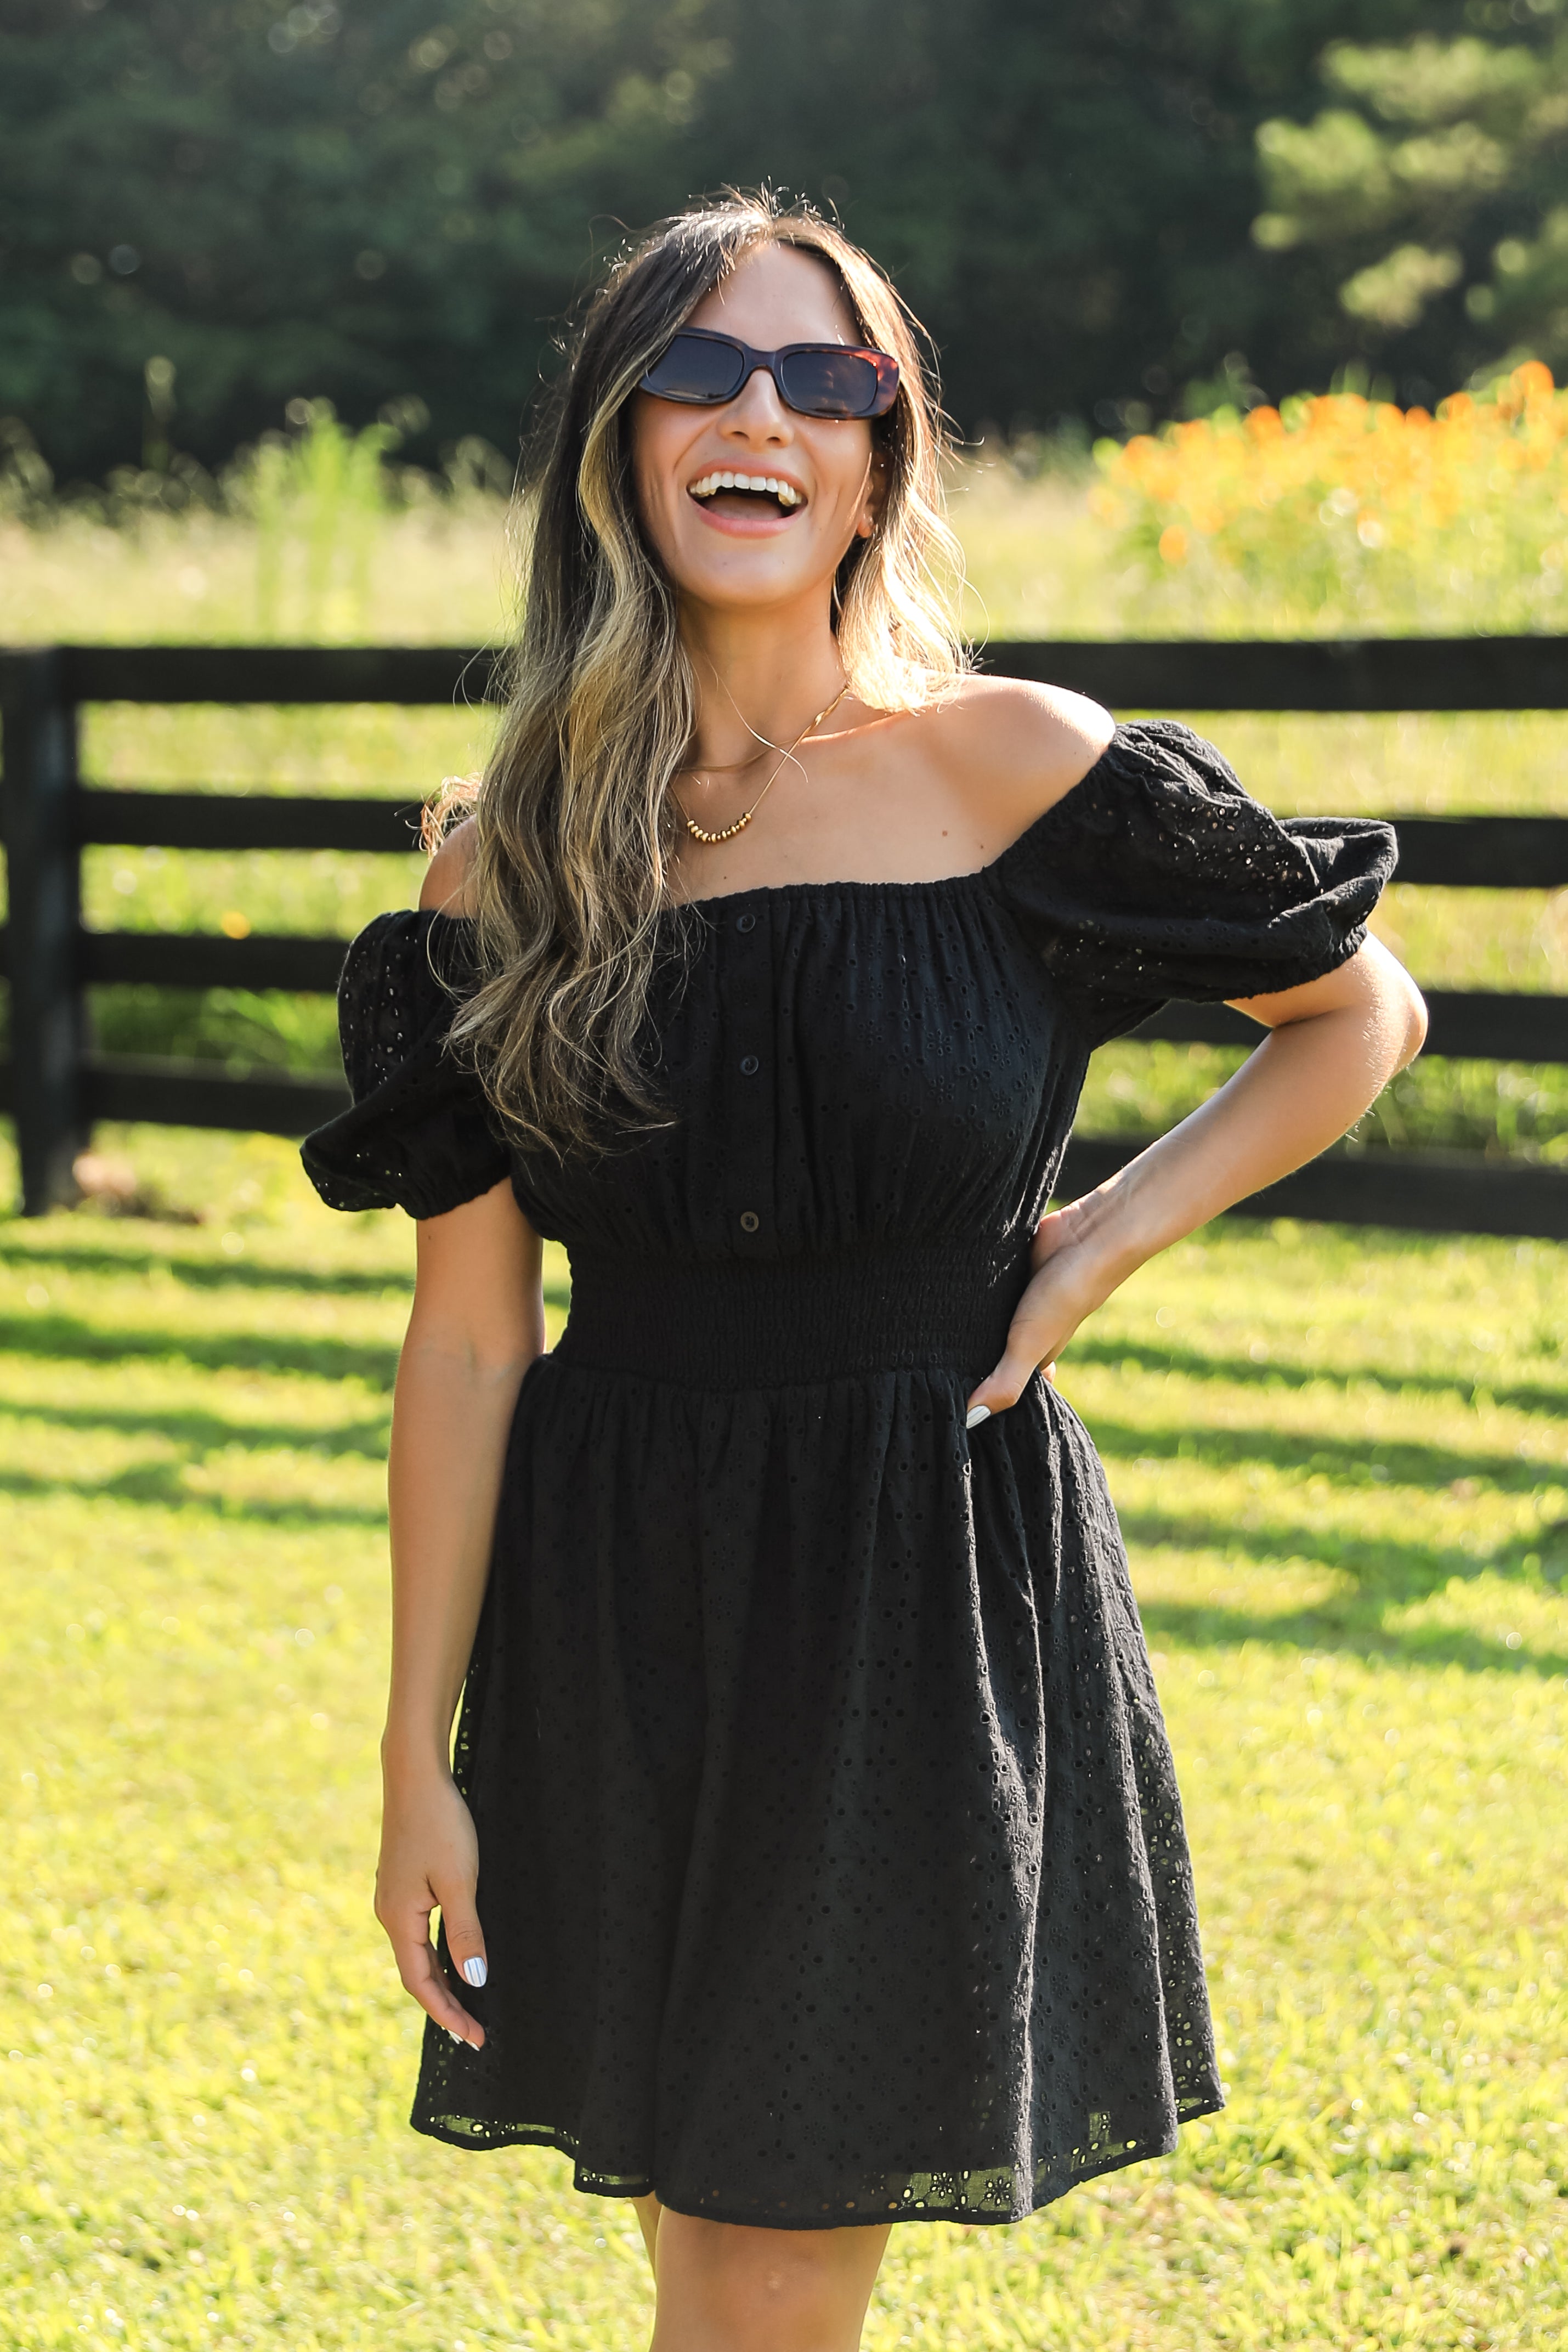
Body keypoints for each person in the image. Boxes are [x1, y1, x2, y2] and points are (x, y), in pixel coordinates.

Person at [302, 193, 1425, 2352]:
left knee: (767, 2269)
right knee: (704, 2242)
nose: (765, 415)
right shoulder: (502, 856)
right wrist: (411, 1753)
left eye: (829, 379)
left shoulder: (1017, 770)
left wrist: (1098, 1237)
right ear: (621, 439)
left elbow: (1354, 1014)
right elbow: (463, 1341)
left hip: (915, 1574)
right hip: (618, 1584)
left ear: (884, 453)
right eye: (705, 371)